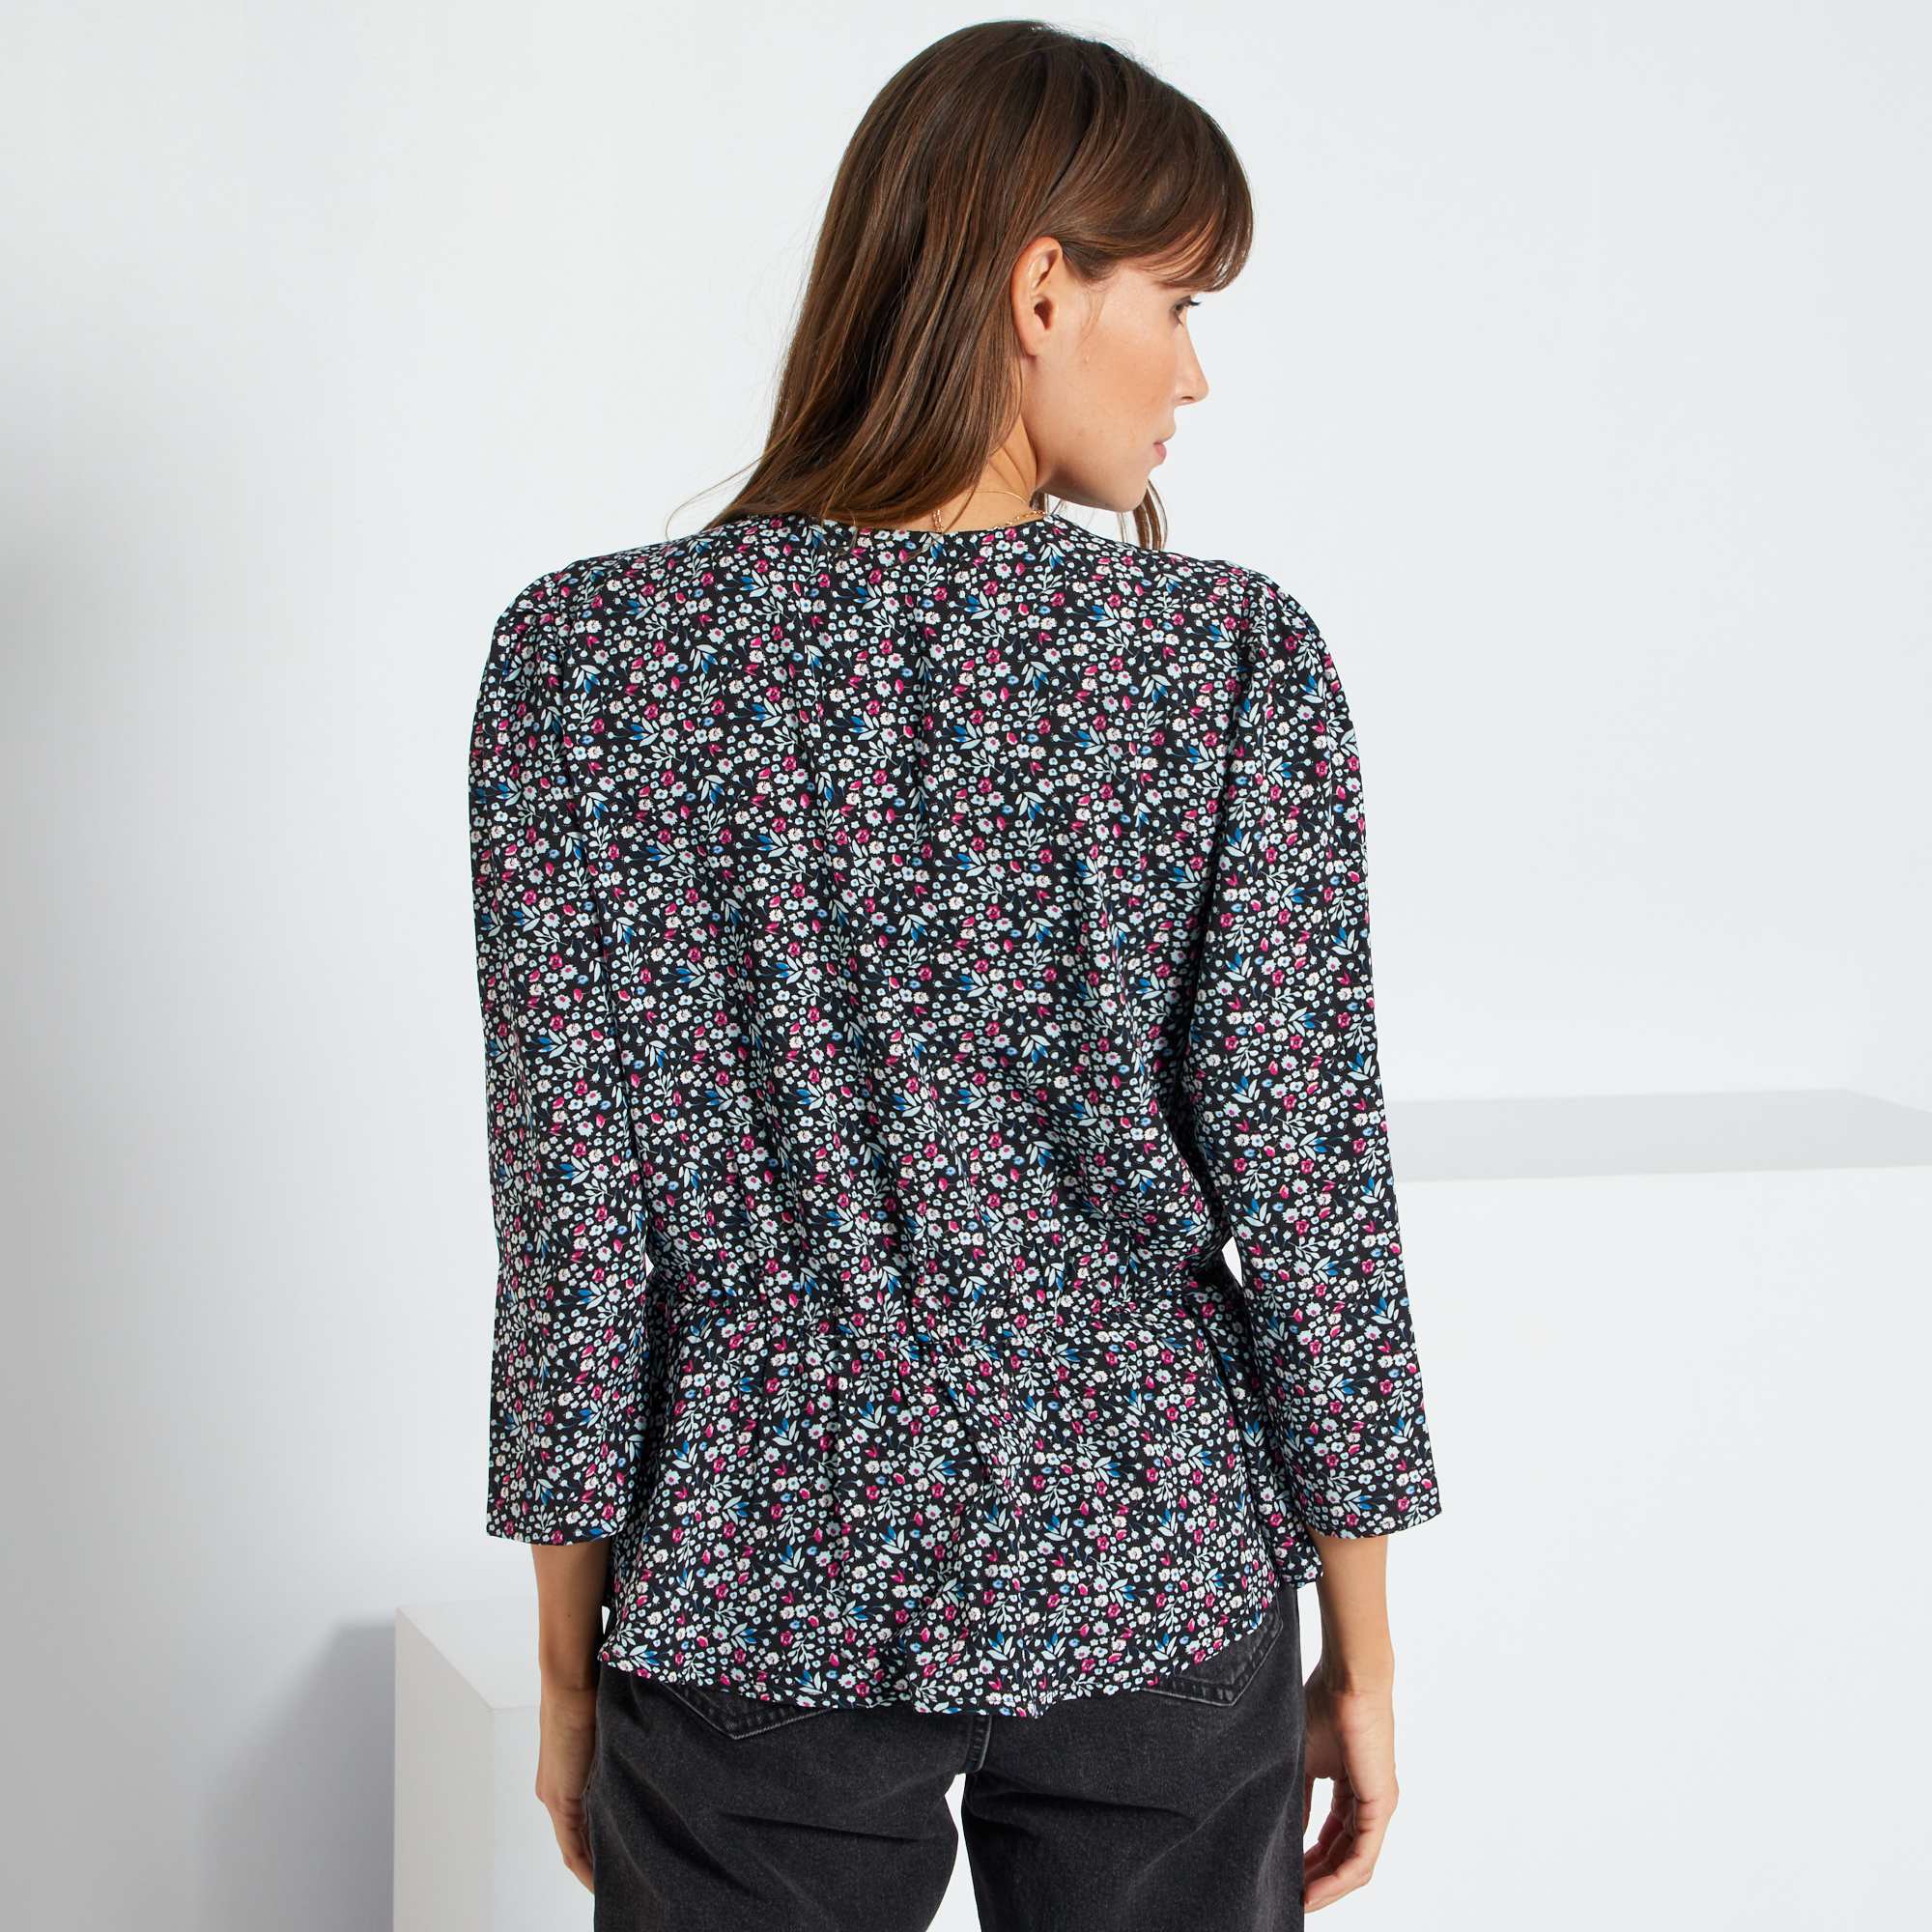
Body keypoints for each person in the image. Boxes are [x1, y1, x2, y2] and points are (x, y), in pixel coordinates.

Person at [466, 20, 1444, 1929]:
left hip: (752, 1583)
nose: (1196, 373)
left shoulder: (589, 663)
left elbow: (575, 1214)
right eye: (1179, 303)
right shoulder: (1222, 664)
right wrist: (1366, 1652)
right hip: (1153, 1562)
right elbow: (1309, 1187)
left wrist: (570, 1661)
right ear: (1041, 287)